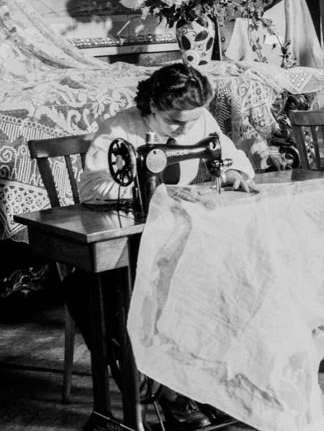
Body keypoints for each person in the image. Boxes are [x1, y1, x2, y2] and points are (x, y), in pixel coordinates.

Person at [71, 63, 256, 429]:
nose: (186, 131)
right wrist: (153, 188)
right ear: (152, 105)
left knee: (229, 279)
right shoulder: (119, 128)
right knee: (154, 292)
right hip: (130, 243)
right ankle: (168, 392)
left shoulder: (199, 122)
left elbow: (230, 155)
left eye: (193, 121)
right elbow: (91, 188)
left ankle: (203, 386)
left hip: (179, 239)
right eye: (174, 123)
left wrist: (235, 171)